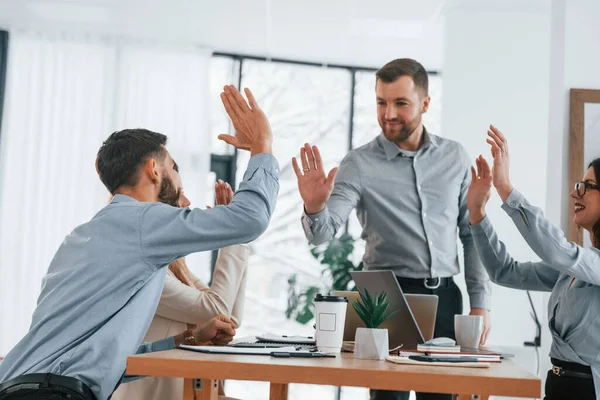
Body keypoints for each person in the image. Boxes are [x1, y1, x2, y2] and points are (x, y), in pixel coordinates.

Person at [0, 85, 278, 400]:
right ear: (153, 170)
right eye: (174, 166)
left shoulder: (80, 238)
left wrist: (187, 339)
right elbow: (250, 219)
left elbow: (106, 363)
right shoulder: (144, 222)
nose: (179, 180)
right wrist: (262, 144)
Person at [293, 58, 491, 400]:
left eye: (401, 103)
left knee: (444, 397)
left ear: (425, 104)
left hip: (444, 297)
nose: (389, 114)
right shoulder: (359, 163)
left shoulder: (454, 157)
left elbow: (471, 233)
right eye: (382, 102)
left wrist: (480, 303)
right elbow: (322, 233)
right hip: (386, 301)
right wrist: (314, 206)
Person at [467, 125, 599, 400]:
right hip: (557, 387)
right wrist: (477, 214)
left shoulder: (579, 263)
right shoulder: (570, 270)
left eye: (587, 186)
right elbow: (505, 272)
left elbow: (558, 252)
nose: (576, 193)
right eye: (578, 186)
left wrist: (505, 188)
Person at [112, 180, 247, 400]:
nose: (187, 202)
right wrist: (234, 235)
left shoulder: (172, 265)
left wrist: (239, 239)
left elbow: (228, 315)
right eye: (180, 193)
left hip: (189, 390)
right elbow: (216, 308)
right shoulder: (145, 270)